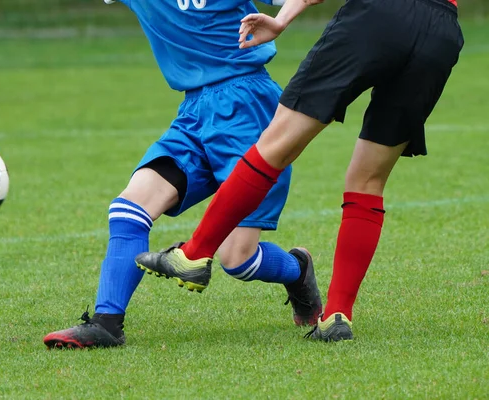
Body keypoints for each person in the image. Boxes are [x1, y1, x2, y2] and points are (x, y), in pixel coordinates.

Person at [136, 0, 464, 342]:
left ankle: (194, 253)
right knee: (368, 180)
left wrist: (282, 20)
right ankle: (336, 316)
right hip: (441, 34)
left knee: (274, 145)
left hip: (380, 14)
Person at [43, 0, 324, 349]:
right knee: (128, 208)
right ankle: (106, 324)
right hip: (194, 112)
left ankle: (298, 271)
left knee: (237, 260)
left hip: (247, 106)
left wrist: (281, 20)